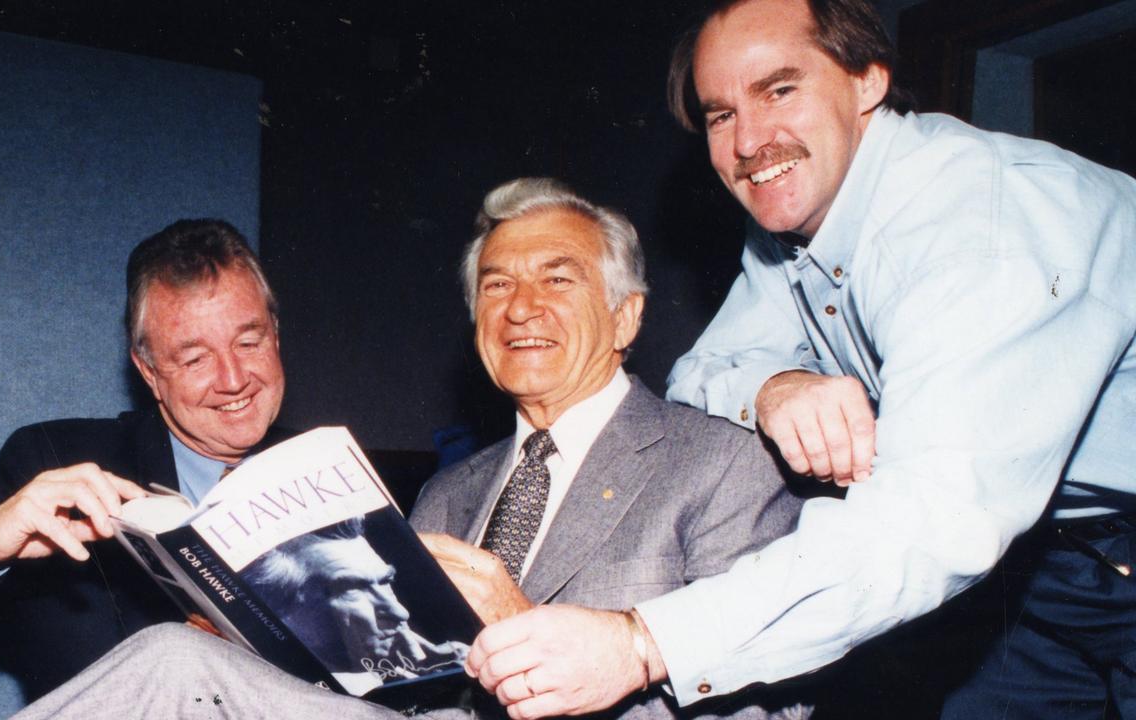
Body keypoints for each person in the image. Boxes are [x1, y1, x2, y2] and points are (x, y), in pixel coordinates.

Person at [462, 1, 1136, 718]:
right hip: (1034, 568)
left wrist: (642, 643)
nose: (749, 140)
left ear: (869, 79)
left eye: (779, 90)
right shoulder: (800, 224)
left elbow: (930, 520)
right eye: (720, 115)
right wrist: (775, 387)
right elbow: (700, 373)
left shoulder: (980, 225)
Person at [10, 177, 809, 720]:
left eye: (558, 279)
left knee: (170, 664)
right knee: (182, 657)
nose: (521, 307)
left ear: (628, 317)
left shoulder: (722, 467)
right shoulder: (444, 496)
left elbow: (777, 711)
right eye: (496, 284)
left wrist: (532, 636)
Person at [0, 219, 289, 701]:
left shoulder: (348, 479)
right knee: (177, 652)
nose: (233, 379)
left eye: (249, 343)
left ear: (275, 334)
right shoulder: (62, 462)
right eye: (195, 359)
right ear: (149, 373)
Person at [241, 515, 468, 695]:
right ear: (283, 614)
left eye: (385, 581)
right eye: (351, 589)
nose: (400, 612)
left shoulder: (430, 671)